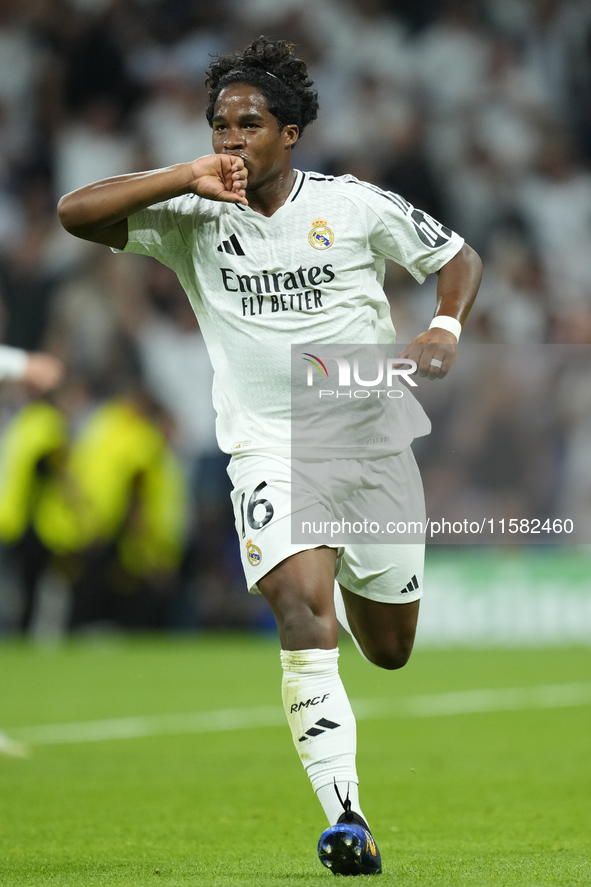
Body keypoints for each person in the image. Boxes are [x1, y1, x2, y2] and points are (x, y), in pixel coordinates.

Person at [57, 36, 482, 876]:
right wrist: (181, 176)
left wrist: (443, 325)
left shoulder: (353, 204)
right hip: (269, 448)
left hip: (369, 442)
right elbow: (76, 211)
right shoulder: (191, 212)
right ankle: (345, 814)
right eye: (218, 124)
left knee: (389, 646)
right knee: (297, 608)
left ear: (290, 133)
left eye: (248, 124)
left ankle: (363, 599)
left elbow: (457, 257)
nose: (230, 138)